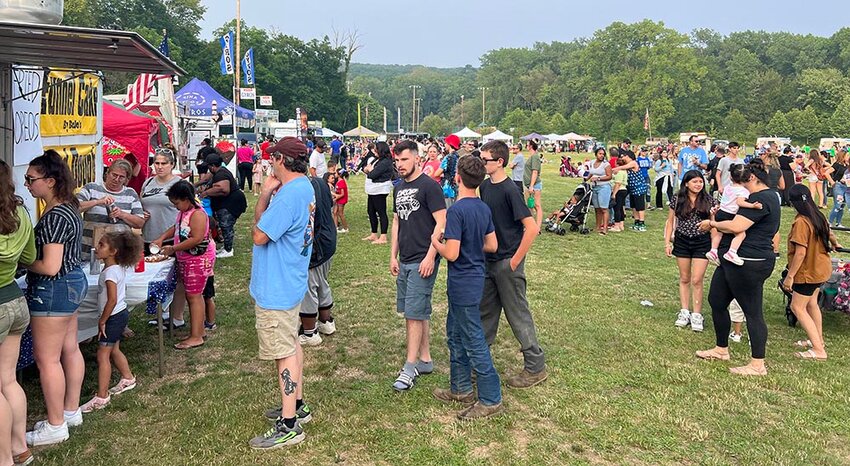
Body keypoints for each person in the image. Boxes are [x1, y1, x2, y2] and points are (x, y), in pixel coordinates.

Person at [249, 137, 315, 449]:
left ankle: (289, 425)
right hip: (290, 277)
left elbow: (260, 235)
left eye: (273, 157)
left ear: (281, 160)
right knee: (291, 342)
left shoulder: (288, 195)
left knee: (283, 352)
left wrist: (263, 196)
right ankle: (297, 406)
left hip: (277, 284)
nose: (269, 162)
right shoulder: (304, 186)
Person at [430, 155, 503, 420]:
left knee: (473, 340)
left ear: (457, 178)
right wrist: (471, 245)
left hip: (462, 284)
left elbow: (451, 253)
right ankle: (460, 387)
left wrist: (435, 241)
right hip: (474, 280)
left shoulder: (457, 211)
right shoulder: (483, 208)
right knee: (455, 334)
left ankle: (491, 397)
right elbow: (492, 245)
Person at [23, 151, 88, 445]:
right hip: (73, 282)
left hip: (54, 288)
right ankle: (70, 411)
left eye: (31, 179)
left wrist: (23, 262)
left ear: (50, 181)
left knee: (47, 359)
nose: (27, 184)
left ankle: (55, 424)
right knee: (69, 349)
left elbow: (50, 266)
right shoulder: (70, 206)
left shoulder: (54, 216)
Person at [696, 160, 781, 376]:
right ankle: (721, 349)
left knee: (752, 311)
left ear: (752, 178)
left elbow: (737, 226)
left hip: (750, 261)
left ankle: (757, 364)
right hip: (731, 259)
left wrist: (712, 224)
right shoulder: (758, 197)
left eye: (743, 180)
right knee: (716, 300)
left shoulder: (762, 198)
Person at [478, 140, 547, 388]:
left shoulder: (510, 190)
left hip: (507, 262)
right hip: (489, 261)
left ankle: (535, 367)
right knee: (485, 315)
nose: (481, 162)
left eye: (485, 159)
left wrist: (515, 261)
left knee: (517, 314)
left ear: (499, 162)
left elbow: (531, 228)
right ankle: (479, 365)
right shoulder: (485, 188)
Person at [388, 140, 446, 392]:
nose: (400, 165)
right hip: (406, 259)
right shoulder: (398, 188)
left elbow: (441, 224)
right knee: (416, 311)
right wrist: (393, 255)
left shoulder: (430, 187)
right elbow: (397, 223)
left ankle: (409, 367)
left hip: (424, 258)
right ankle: (425, 360)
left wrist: (431, 255)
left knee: (413, 313)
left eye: (404, 160)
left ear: (416, 159)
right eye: (397, 161)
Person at [80, 231, 143, 413]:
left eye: (101, 245)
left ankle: (101, 396)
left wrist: (102, 320)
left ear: (113, 251)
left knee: (102, 355)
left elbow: (112, 300)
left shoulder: (110, 274)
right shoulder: (117, 269)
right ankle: (127, 378)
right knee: (114, 349)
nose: (96, 248)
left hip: (113, 317)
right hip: (119, 314)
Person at [0, 161, 36, 465]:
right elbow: (29, 256)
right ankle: (19, 447)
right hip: (14, 299)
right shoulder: (21, 212)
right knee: (8, 381)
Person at [152, 181, 216, 349]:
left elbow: (196, 239)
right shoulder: (185, 212)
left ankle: (196, 336)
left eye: (177, 203)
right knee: (195, 296)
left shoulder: (197, 214)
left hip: (198, 259)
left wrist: (173, 248)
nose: (176, 207)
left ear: (187, 199)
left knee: (193, 296)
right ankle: (199, 331)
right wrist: (161, 238)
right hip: (188, 258)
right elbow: (177, 227)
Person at [782, 184, 840, 361]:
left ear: (793, 202)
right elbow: (830, 233)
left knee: (797, 307)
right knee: (812, 303)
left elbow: (800, 252)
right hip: (821, 269)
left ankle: (818, 350)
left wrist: (790, 277)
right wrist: (835, 243)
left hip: (808, 271)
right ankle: (818, 340)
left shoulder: (801, 221)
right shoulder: (817, 215)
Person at [665, 170, 717, 332]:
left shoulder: (709, 200)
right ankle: (684, 311)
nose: (698, 185)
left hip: (702, 242)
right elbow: (670, 221)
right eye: (694, 182)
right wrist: (667, 243)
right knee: (685, 278)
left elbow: (714, 225)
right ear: (686, 183)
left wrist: (714, 247)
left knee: (697, 279)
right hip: (682, 241)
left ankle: (697, 314)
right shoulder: (677, 199)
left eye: (700, 181)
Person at [297, 167, 338, 348]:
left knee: (309, 287)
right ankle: (326, 321)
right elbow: (329, 204)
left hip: (316, 244)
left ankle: (309, 331)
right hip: (328, 239)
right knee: (322, 282)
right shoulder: (319, 181)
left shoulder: (301, 188)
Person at [77, 159, 146, 255]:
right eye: (114, 175)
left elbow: (140, 223)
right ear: (107, 173)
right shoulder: (91, 188)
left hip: (119, 254)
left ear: (126, 180)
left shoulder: (130, 194)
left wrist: (122, 214)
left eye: (121, 177)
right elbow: (75, 207)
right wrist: (97, 202)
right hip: (89, 251)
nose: (117, 179)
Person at [706, 164, 764, 266]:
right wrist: (752, 206)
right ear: (749, 178)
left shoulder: (728, 187)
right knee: (741, 234)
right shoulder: (743, 191)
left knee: (719, 233)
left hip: (720, 213)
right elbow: (740, 202)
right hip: (730, 214)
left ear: (730, 177)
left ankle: (713, 250)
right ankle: (732, 252)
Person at [200, 153, 247, 258]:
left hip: (231, 203)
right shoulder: (219, 172)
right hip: (229, 202)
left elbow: (223, 189)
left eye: (208, 166)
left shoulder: (221, 174)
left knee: (226, 226)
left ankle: (228, 250)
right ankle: (226, 246)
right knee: (224, 225)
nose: (208, 169)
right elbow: (207, 180)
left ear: (212, 166)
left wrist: (206, 193)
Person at [141, 149, 180, 254]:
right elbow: (140, 205)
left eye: (164, 163)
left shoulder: (179, 184)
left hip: (171, 239)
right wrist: (141, 213)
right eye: (157, 163)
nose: (160, 166)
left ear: (172, 164)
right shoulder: (147, 183)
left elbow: (189, 213)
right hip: (148, 238)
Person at [362, 141, 394, 245]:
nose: (374, 151)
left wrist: (370, 170)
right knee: (371, 211)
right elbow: (365, 169)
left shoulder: (386, 162)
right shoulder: (377, 159)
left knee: (381, 212)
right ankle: (374, 233)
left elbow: (372, 174)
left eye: (376, 150)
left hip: (380, 190)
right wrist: (369, 170)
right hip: (372, 190)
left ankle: (383, 236)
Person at [612, 150, 648, 231]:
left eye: (624, 156)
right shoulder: (628, 165)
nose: (623, 158)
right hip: (632, 189)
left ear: (628, 156)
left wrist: (615, 168)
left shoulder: (633, 163)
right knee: (634, 206)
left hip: (639, 188)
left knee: (640, 207)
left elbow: (623, 167)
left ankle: (642, 223)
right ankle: (636, 221)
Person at [587, 147, 612, 235]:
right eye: (600, 154)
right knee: (597, 208)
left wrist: (598, 178)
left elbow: (609, 176)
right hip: (594, 187)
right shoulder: (592, 162)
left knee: (604, 208)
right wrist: (586, 178)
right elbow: (591, 172)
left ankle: (604, 228)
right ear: (596, 154)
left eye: (603, 154)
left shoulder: (606, 164)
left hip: (604, 187)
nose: (601, 155)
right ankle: (597, 227)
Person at [523, 140, 543, 227]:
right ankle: (531, 225)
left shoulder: (535, 157)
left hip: (534, 185)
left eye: (527, 144)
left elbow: (535, 172)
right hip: (529, 185)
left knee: (537, 206)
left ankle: (537, 226)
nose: (526, 146)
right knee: (530, 205)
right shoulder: (531, 157)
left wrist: (531, 186)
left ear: (530, 146)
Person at [828, 148, 850, 227]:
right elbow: (827, 173)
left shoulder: (847, 165)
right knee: (838, 204)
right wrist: (832, 182)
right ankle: (829, 222)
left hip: (846, 186)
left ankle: (838, 223)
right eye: (847, 155)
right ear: (842, 156)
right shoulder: (837, 165)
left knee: (842, 205)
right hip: (839, 186)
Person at [440, 135, 461, 207]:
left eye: (446, 143)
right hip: (455, 188)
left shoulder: (448, 157)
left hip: (447, 188)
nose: (445, 145)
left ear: (450, 144)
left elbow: (437, 173)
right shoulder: (458, 156)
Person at [610, 158, 629, 232]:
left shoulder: (620, 172)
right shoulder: (624, 171)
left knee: (616, 208)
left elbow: (618, 184)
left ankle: (616, 225)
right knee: (620, 208)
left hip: (619, 190)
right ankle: (621, 224)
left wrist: (614, 194)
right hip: (623, 190)